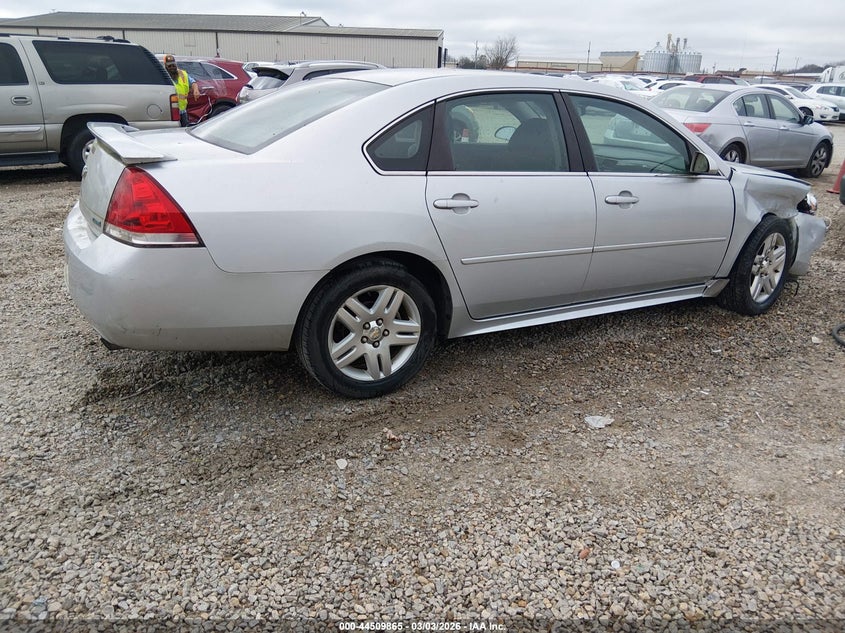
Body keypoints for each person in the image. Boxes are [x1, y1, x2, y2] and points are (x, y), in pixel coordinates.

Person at [163, 54, 199, 126]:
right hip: (170, 113)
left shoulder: (182, 74)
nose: (172, 67)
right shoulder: (163, 76)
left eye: (173, 65)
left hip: (183, 112)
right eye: (169, 66)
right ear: (165, 66)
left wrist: (196, 90)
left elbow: (193, 82)